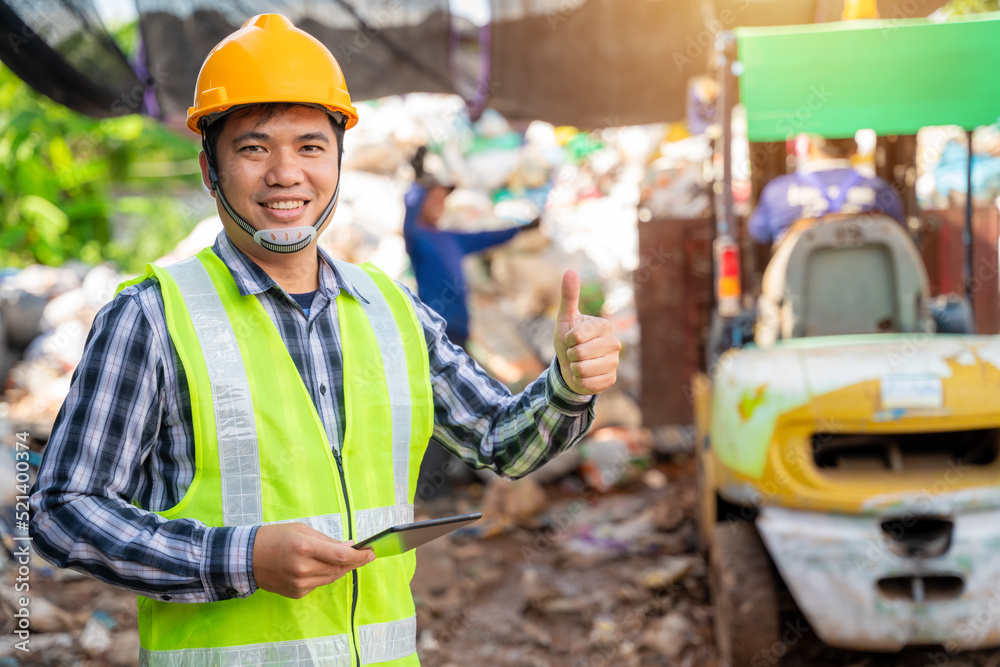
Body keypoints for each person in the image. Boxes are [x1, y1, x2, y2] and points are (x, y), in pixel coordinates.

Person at [29, 14, 621, 666]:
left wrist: (567, 384)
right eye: (254, 147)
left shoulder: (392, 311)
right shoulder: (150, 318)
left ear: (338, 160)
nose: (286, 172)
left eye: (310, 146)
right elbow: (62, 512)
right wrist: (240, 558)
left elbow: (504, 441)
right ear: (210, 168)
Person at [403, 146, 537, 350]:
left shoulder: (452, 239)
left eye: (442, 199)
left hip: (460, 326)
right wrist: (418, 181)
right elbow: (411, 208)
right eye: (433, 198)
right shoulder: (418, 236)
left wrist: (521, 229)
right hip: (432, 324)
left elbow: (485, 238)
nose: (439, 204)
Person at [748, 135, 906, 246]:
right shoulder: (881, 190)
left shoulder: (777, 191)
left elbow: (759, 234)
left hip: (796, 291)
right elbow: (901, 235)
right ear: (855, 148)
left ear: (808, 146)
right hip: (868, 290)